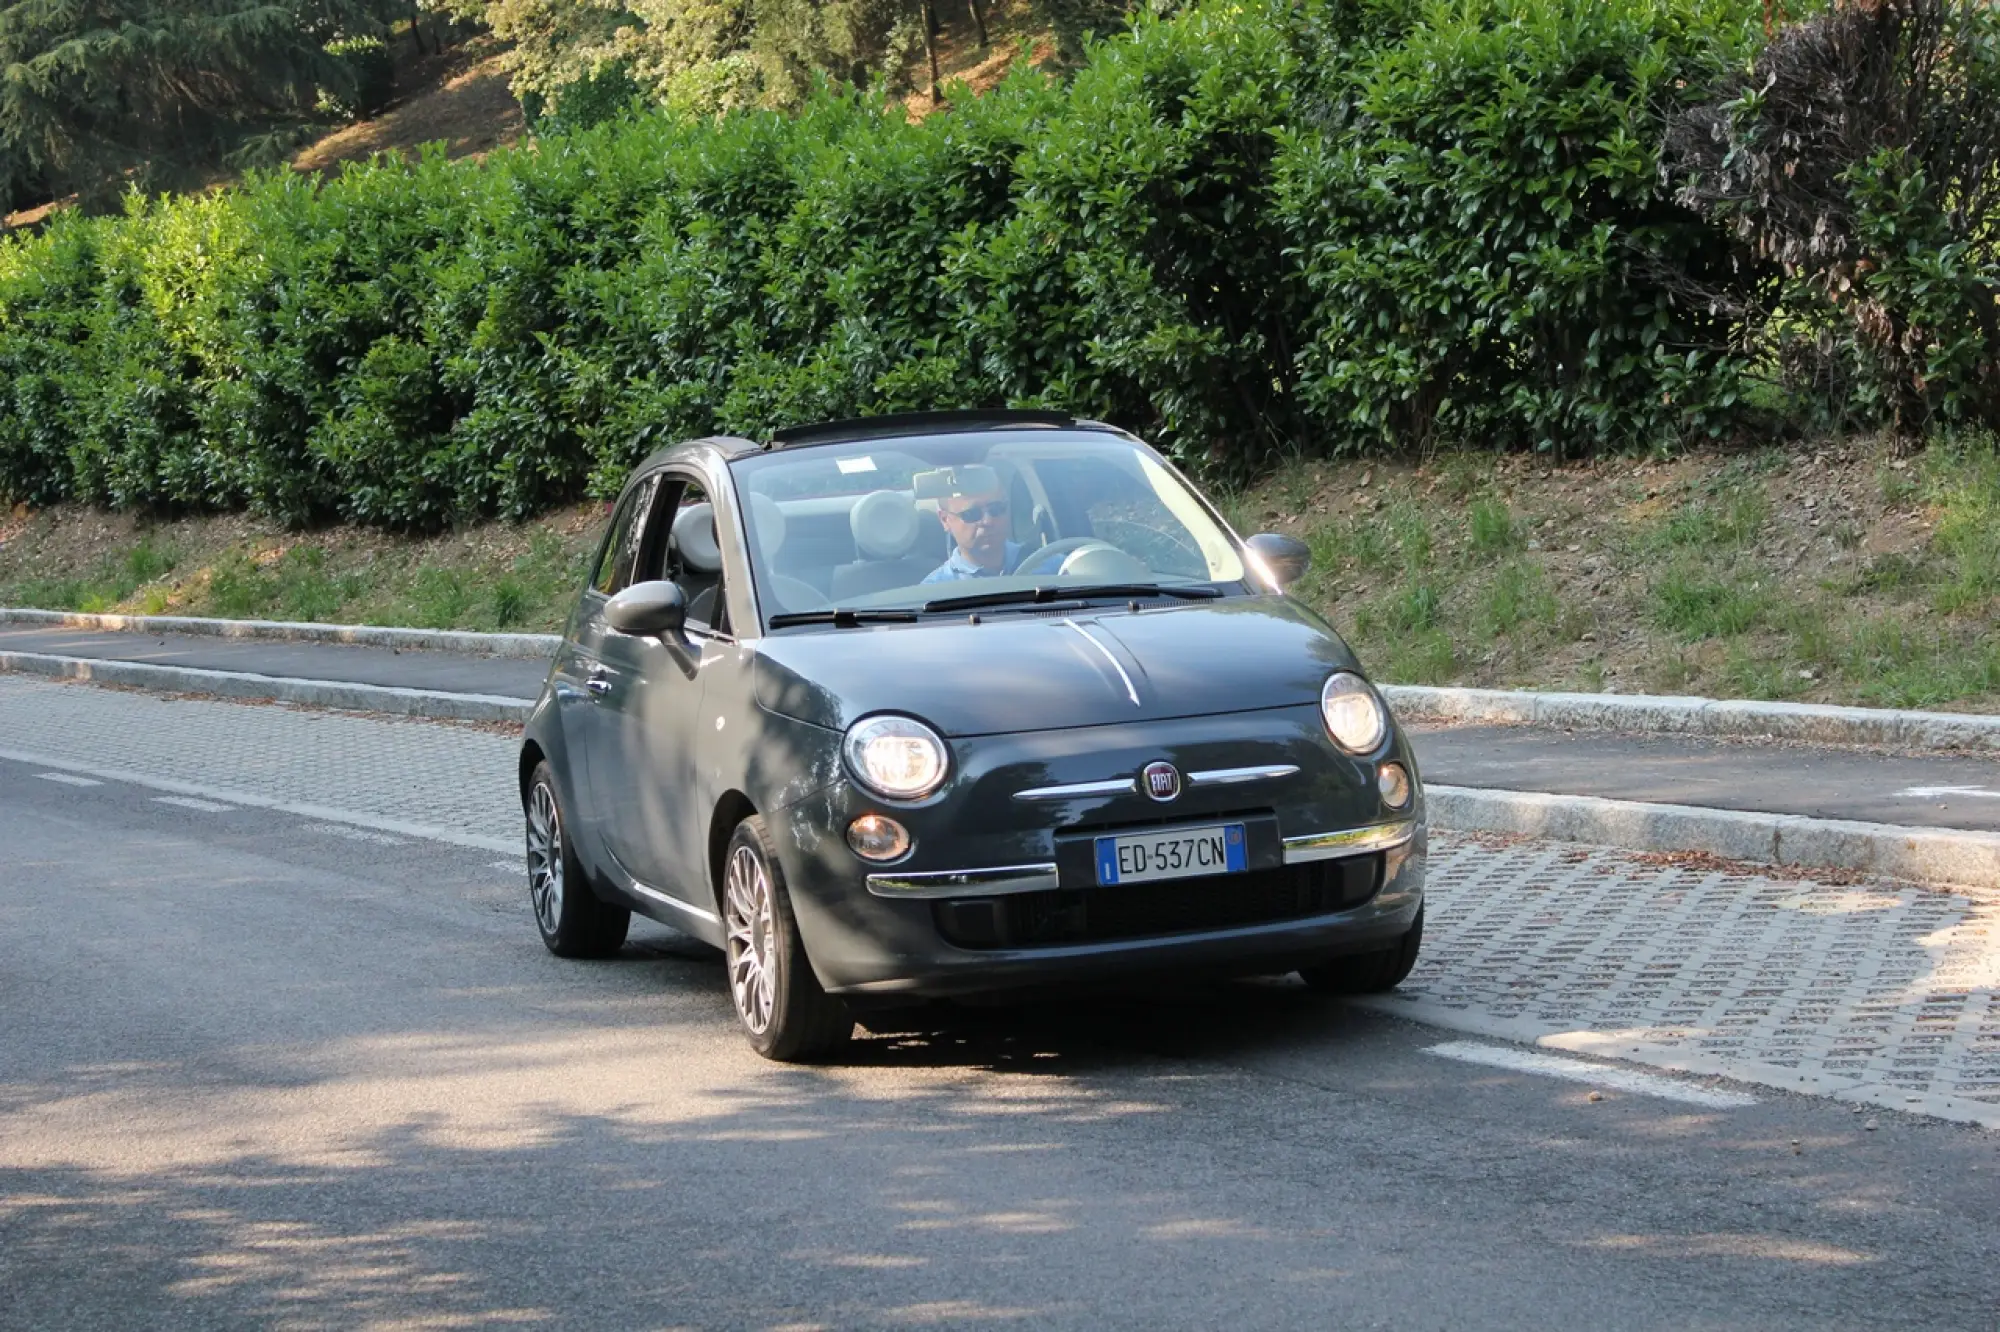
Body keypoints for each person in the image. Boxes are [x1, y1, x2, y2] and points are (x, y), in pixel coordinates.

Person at [923, 485, 1022, 583]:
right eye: (971, 513)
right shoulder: (936, 591)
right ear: (945, 519)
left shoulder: (1035, 563)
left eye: (996, 508)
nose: (988, 521)